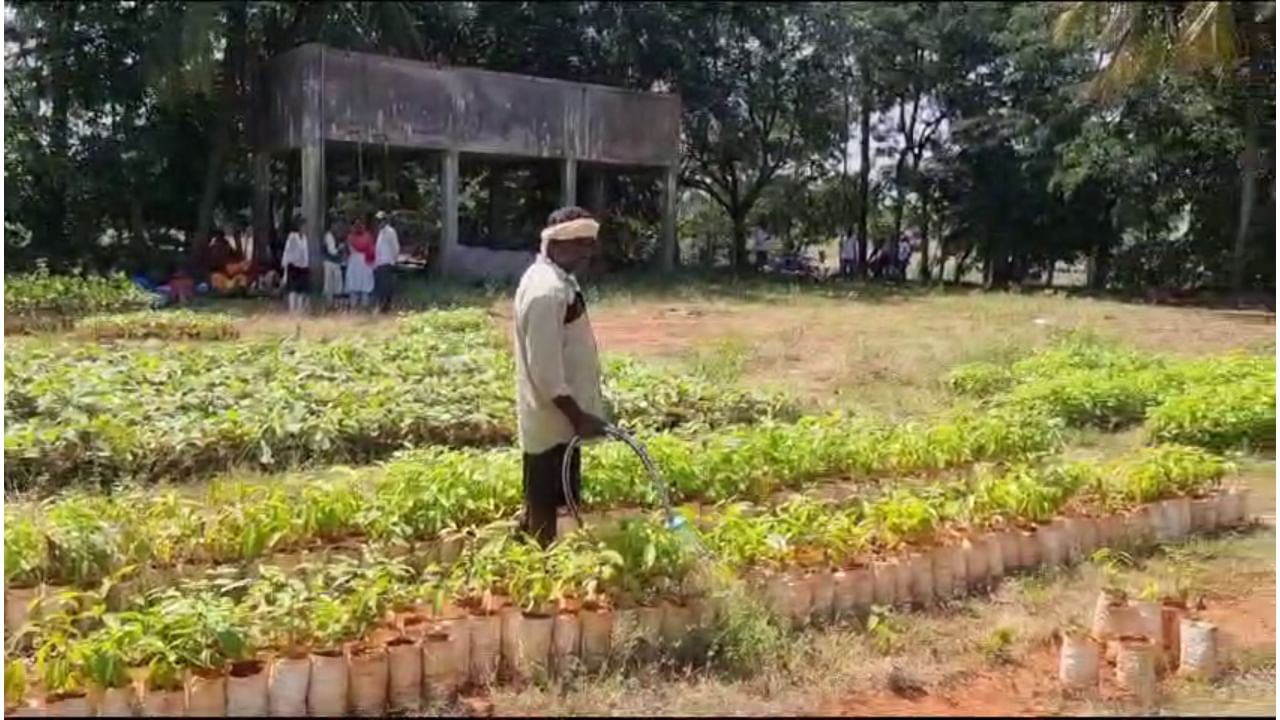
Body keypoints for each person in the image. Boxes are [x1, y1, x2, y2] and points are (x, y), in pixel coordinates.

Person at [513, 205, 607, 547]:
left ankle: (529, 542)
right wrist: (578, 416)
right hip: (553, 419)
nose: (588, 253)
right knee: (544, 503)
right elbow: (546, 371)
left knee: (553, 498)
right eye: (581, 244)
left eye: (590, 244)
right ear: (558, 243)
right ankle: (540, 566)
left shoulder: (560, 281)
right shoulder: (545, 292)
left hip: (562, 421)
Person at [345, 216, 376, 309]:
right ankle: (353, 307)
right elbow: (348, 250)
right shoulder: (350, 237)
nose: (358, 227)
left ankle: (364, 307)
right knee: (353, 287)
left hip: (365, 263)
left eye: (360, 224)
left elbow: (371, 251)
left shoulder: (368, 236)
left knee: (365, 287)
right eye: (356, 225)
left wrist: (372, 261)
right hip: (354, 263)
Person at [281, 217, 311, 314]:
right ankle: (292, 309)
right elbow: (288, 250)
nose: (305, 228)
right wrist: (285, 263)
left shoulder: (305, 238)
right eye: (304, 226)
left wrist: (307, 264)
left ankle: (300, 309)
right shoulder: (293, 236)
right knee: (293, 288)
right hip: (293, 265)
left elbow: (305, 252)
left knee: (301, 289)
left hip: (303, 266)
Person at [373, 210, 400, 313]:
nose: (379, 223)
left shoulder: (390, 232)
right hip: (380, 263)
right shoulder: (380, 233)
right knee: (381, 286)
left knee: (386, 286)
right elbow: (378, 249)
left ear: (385, 221)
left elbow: (395, 247)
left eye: (381, 221)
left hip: (387, 262)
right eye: (378, 221)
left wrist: (394, 261)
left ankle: (386, 306)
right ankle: (382, 306)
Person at [322, 218, 345, 307]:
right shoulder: (329, 235)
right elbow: (332, 251)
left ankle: (336, 304)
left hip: (336, 263)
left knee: (337, 284)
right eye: (336, 225)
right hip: (329, 262)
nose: (337, 227)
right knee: (329, 284)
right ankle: (329, 304)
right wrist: (340, 249)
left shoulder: (338, 236)